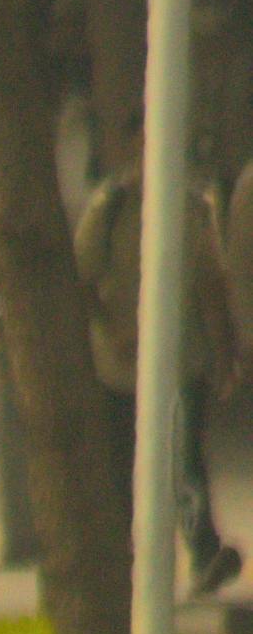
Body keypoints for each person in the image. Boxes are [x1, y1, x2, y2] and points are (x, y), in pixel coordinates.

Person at [74, 135, 244, 596]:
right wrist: (114, 332)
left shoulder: (192, 207)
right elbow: (82, 281)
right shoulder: (110, 208)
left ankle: (203, 552)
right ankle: (125, 561)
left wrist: (225, 356)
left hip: (181, 362)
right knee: (123, 464)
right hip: (120, 366)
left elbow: (211, 286)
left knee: (183, 461)